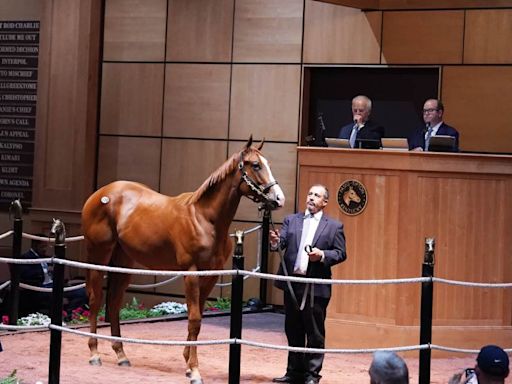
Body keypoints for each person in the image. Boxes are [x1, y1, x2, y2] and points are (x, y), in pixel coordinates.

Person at [270, 184, 347, 384]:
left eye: (317, 195)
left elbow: (341, 253)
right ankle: (294, 373)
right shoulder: (291, 220)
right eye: (310, 193)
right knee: (293, 329)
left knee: (314, 332)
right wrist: (275, 242)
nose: (311, 197)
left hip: (316, 286)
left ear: (325, 202)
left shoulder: (334, 226)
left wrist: (321, 255)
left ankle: (312, 376)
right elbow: (281, 243)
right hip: (293, 284)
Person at [18, 237, 88, 317]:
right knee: (54, 296)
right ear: (35, 245)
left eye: (46, 246)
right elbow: (27, 275)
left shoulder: (46, 257)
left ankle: (69, 315)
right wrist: (45, 271)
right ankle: (57, 318)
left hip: (54, 284)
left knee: (81, 292)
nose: (45, 249)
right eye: (42, 246)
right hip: (40, 288)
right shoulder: (26, 257)